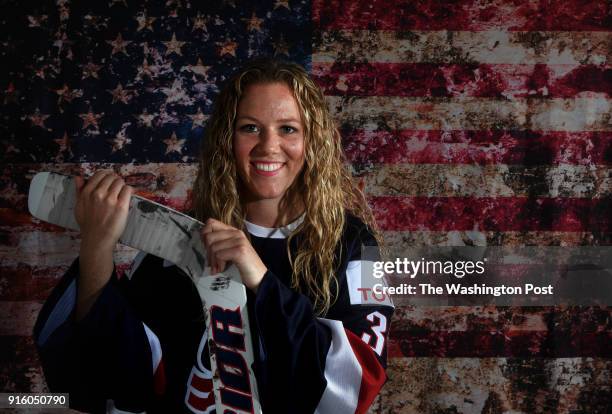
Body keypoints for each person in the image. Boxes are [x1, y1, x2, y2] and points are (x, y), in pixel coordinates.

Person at [34, 58, 395, 414]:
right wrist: (97, 246)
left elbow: (357, 382)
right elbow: (116, 380)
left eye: (288, 129)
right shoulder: (177, 237)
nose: (268, 147)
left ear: (313, 140)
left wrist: (261, 281)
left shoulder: (356, 245)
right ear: (227, 138)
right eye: (250, 128)